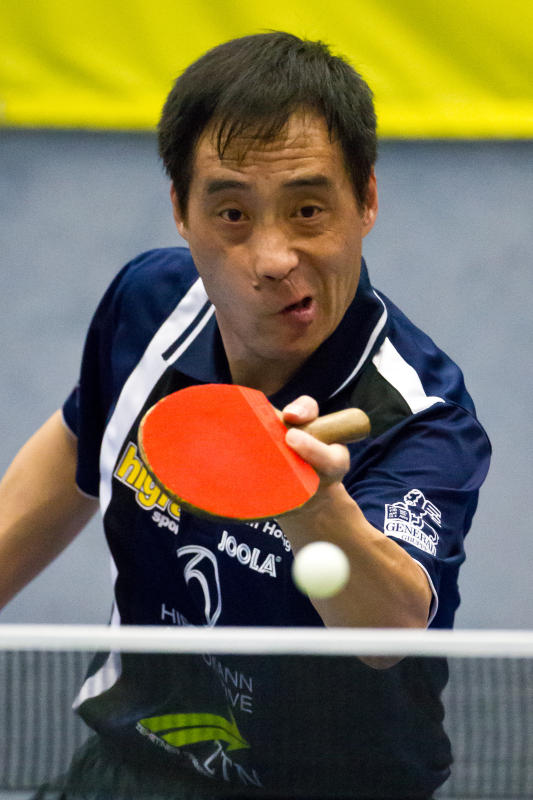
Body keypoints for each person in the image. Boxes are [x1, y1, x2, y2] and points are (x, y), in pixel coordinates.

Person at [0, 31, 491, 800]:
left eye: (307, 210)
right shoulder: (151, 308)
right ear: (180, 211)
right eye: (231, 213)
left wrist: (308, 502)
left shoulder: (418, 411)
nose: (272, 258)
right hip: (139, 767)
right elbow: (75, 453)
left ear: (365, 200)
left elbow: (390, 628)